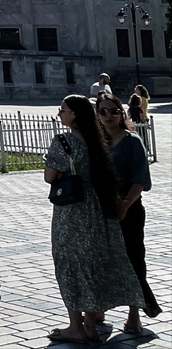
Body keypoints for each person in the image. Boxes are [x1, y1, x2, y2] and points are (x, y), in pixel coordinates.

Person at [43, 95, 143, 343]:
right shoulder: (99, 140)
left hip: (73, 211)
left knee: (70, 264)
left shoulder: (63, 141)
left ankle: (76, 326)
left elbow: (49, 176)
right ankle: (90, 324)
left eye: (63, 109)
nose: (59, 113)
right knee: (94, 263)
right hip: (100, 209)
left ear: (74, 114)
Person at [97, 92, 160, 333]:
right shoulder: (96, 143)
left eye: (113, 111)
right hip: (100, 207)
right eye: (102, 111)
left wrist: (124, 205)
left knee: (133, 258)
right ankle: (98, 307)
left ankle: (134, 313)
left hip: (128, 206)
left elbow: (141, 179)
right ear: (97, 115)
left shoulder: (132, 140)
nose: (108, 115)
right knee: (100, 258)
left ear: (121, 114)